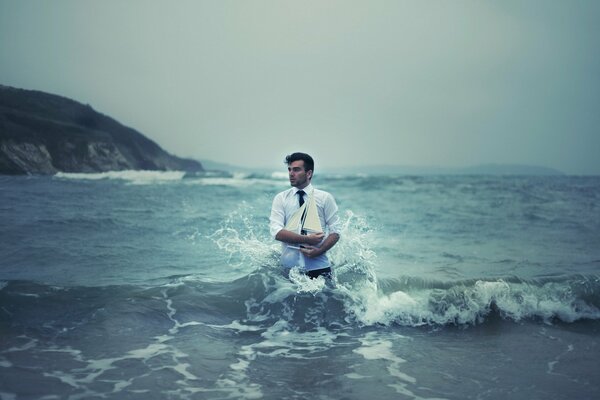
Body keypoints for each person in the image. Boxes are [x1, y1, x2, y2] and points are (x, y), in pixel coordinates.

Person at [269, 152, 341, 279]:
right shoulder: (281, 198)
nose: (291, 173)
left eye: (296, 170)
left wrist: (320, 250)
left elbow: (335, 232)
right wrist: (307, 240)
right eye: (290, 170)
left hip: (319, 267)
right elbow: (277, 233)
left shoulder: (325, 198)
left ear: (309, 173)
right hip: (289, 269)